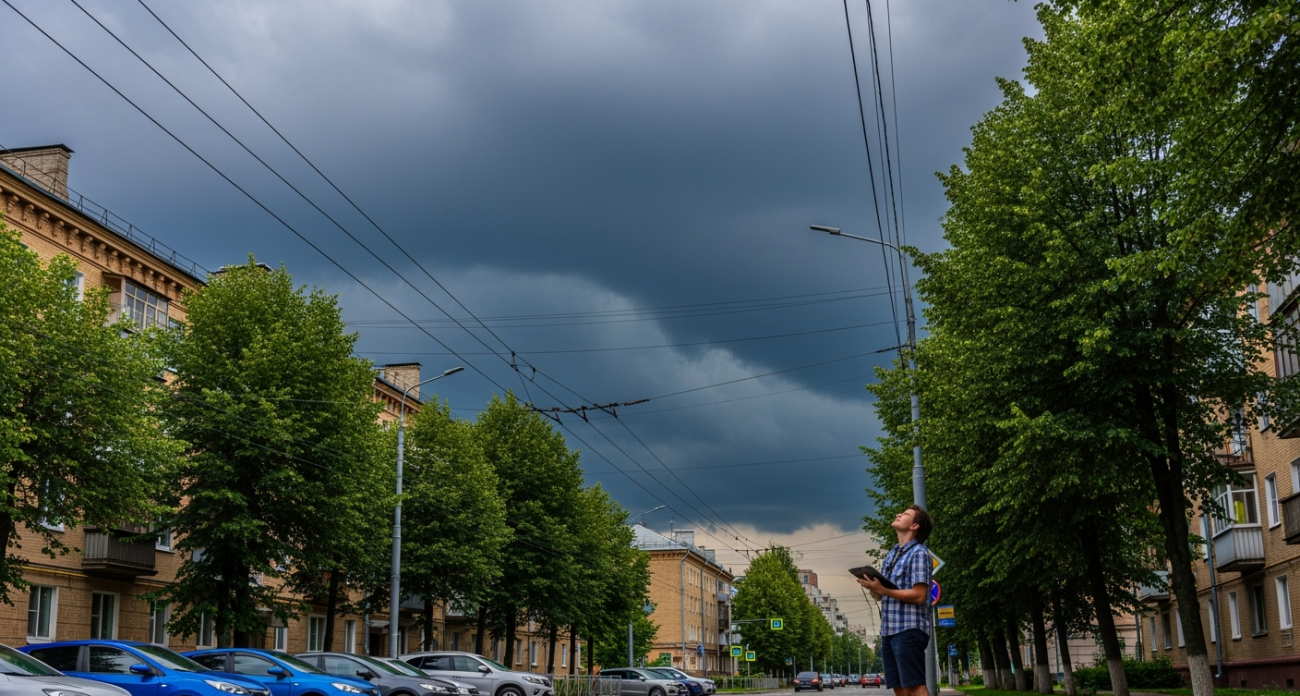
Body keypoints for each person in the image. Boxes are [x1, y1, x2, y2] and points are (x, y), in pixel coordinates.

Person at [858, 505, 933, 696]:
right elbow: (883, 595)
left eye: (905, 514)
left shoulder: (918, 553)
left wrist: (883, 589)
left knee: (915, 685)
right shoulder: (892, 555)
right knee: (900, 688)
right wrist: (873, 588)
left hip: (909, 628)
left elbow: (919, 595)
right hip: (889, 630)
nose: (899, 514)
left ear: (915, 526)